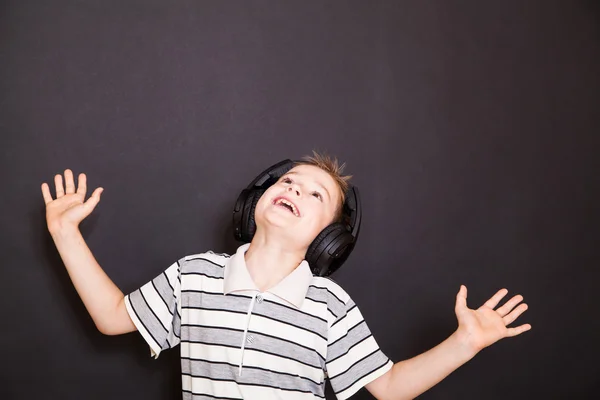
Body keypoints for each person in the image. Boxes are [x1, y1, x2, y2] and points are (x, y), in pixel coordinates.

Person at [41, 152, 531, 400]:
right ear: (258, 200)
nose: (295, 189)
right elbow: (111, 317)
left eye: (316, 195)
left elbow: (389, 386)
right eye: (287, 182)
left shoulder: (330, 306)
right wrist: (65, 232)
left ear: (330, 237)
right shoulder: (194, 275)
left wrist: (464, 343)